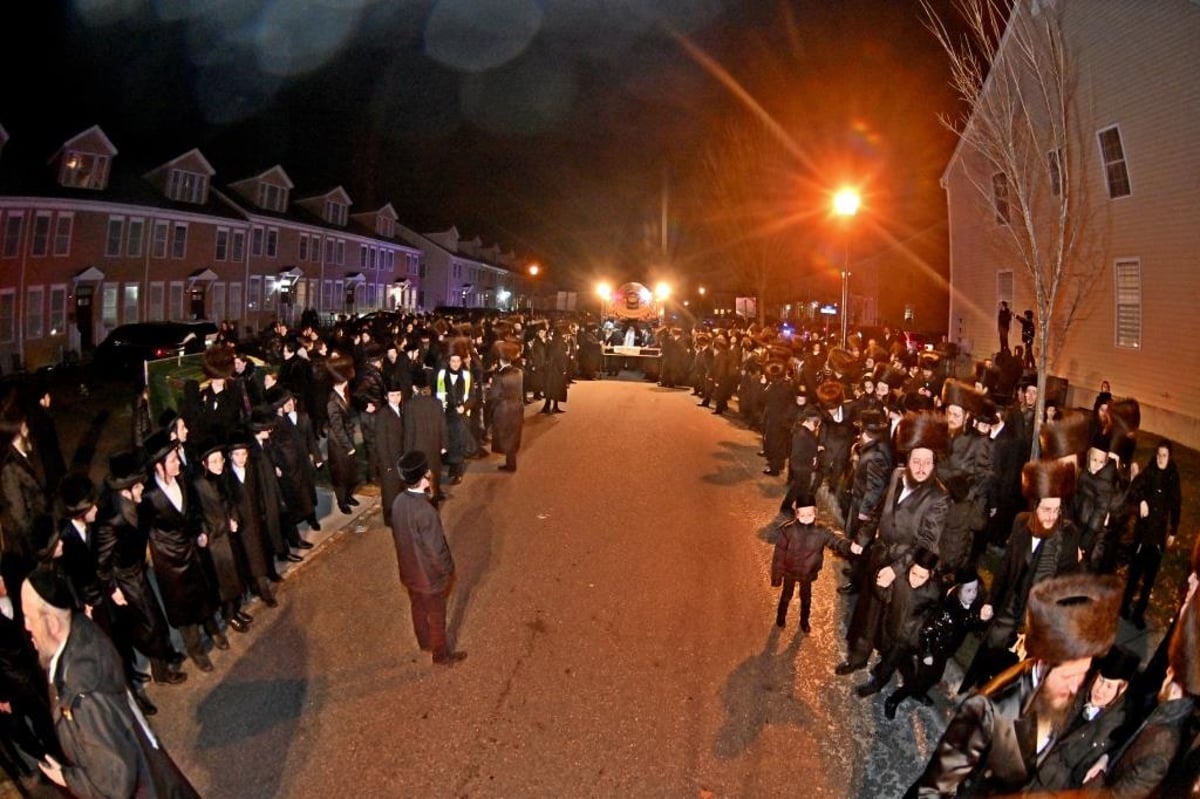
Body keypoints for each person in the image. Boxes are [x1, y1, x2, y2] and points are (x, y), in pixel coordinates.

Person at [906, 573, 1121, 797]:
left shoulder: (1058, 700)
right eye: (1069, 676)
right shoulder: (988, 711)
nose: (1077, 688)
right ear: (1045, 662)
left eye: (1083, 675)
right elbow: (933, 791)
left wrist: (1103, 758)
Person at [21, 567, 199, 797]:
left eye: (29, 617)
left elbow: (115, 779)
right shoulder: (81, 631)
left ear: (52, 625)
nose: (26, 626)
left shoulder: (83, 695)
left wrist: (67, 778)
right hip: (151, 769)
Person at [838, 411, 949, 676]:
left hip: (905, 568)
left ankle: (886, 665)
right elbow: (878, 512)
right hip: (879, 554)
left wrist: (896, 569)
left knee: (894, 621)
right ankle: (858, 656)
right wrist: (862, 539)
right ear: (907, 460)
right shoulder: (897, 475)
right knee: (868, 611)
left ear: (935, 463)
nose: (921, 468)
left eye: (927, 462)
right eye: (916, 460)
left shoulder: (939, 498)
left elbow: (927, 542)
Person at [959, 459, 1082, 692]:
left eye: (1057, 510)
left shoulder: (1068, 537)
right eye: (1046, 509)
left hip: (1035, 620)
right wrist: (991, 602)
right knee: (991, 653)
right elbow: (1006, 567)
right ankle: (981, 693)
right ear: (1034, 506)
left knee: (1015, 672)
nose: (1052, 516)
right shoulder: (1021, 523)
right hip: (1008, 609)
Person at [94, 452, 188, 686]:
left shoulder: (134, 506)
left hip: (137, 571)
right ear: (126, 490)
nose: (142, 489)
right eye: (137, 487)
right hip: (125, 579)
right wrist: (113, 588)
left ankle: (166, 653)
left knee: (155, 615)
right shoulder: (112, 521)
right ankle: (162, 672)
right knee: (148, 624)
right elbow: (102, 564)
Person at [139, 429, 225, 673]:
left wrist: (200, 530)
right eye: (173, 459)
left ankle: (214, 630)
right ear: (159, 466)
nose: (178, 462)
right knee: (184, 606)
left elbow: (194, 510)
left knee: (204, 595)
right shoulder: (149, 495)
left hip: (192, 551)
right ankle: (196, 650)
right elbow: (144, 529)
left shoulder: (183, 481)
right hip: (170, 560)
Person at [1024, 644, 1140, 792]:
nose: (1101, 690)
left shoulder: (1114, 727)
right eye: (1101, 680)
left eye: (1110, 687)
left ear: (1122, 690)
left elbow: (1076, 775)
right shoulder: (1076, 693)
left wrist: (1105, 758)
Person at [389, 451, 466, 666]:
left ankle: (424, 642)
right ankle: (441, 654)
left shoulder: (398, 502)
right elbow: (436, 550)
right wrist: (448, 569)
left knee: (417, 607)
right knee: (437, 615)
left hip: (410, 572)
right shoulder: (425, 511)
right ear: (424, 477)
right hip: (429, 578)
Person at [856, 547, 942, 707]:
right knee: (886, 652)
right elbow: (884, 595)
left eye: (922, 576)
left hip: (907, 636)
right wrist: (879, 582)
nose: (916, 579)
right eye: (914, 573)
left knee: (890, 663)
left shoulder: (933, 592)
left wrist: (919, 630)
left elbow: (933, 614)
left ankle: (877, 684)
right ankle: (883, 666)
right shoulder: (900, 580)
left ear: (930, 575)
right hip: (890, 626)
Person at [770, 494, 860, 633]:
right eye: (803, 515)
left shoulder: (821, 531)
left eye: (810, 514)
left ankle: (804, 621)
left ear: (815, 513)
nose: (806, 519)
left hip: (808, 572)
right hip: (790, 572)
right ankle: (781, 617)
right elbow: (779, 555)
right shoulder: (787, 530)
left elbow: (836, 541)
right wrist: (776, 576)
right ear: (797, 514)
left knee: (806, 598)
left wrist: (850, 546)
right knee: (786, 595)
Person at [1122, 439, 1182, 630]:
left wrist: (1173, 530)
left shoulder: (1172, 477)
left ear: (1169, 457)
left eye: (1164, 456)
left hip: (1157, 538)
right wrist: (1141, 501)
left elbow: (1176, 505)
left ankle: (1139, 613)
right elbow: (1133, 491)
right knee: (1134, 574)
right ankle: (1124, 606)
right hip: (1142, 534)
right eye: (1158, 455)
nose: (1161, 459)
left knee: (1149, 579)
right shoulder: (1149, 472)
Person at [324, 353, 362, 515]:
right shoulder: (333, 400)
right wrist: (348, 446)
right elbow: (337, 427)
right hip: (338, 443)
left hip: (347, 438)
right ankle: (342, 501)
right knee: (340, 474)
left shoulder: (344, 394)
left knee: (350, 472)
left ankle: (348, 496)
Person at [489, 340, 525, 473]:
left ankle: (510, 465)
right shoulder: (519, 372)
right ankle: (511, 463)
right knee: (513, 435)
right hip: (517, 406)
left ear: (500, 360)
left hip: (503, 409)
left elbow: (494, 395)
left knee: (505, 436)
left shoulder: (499, 376)